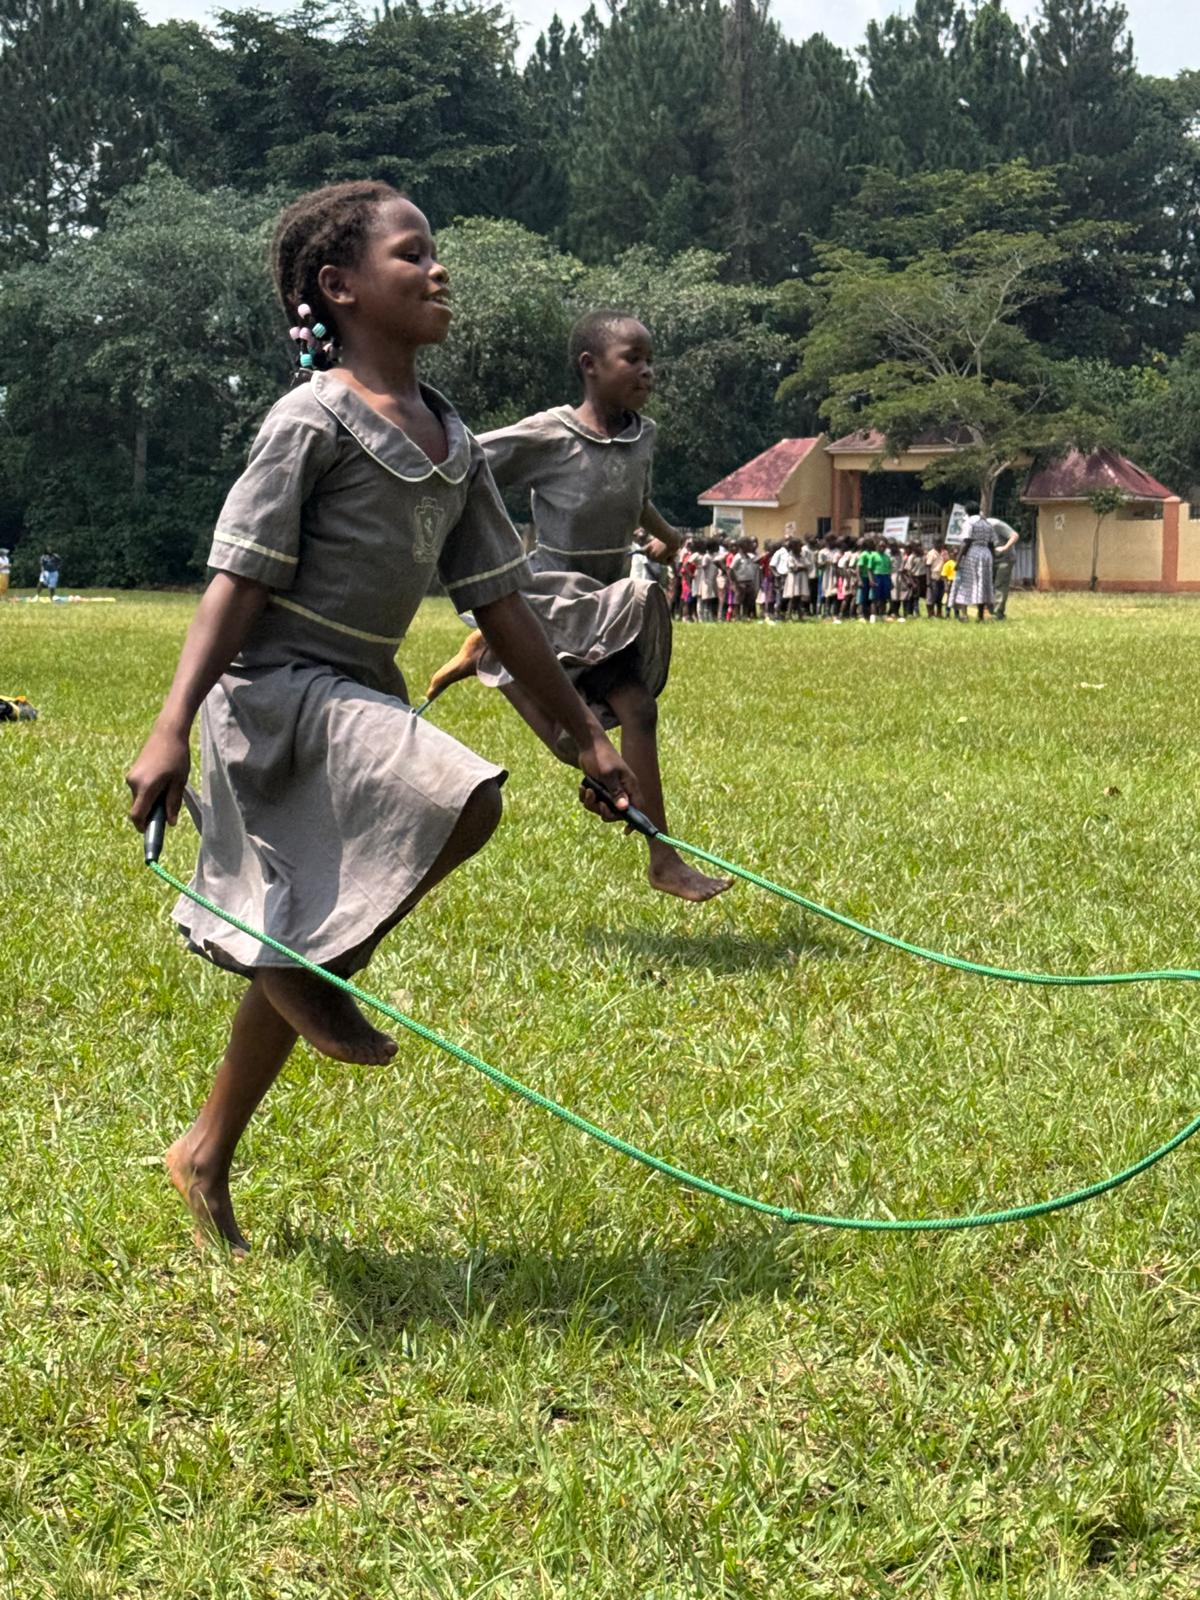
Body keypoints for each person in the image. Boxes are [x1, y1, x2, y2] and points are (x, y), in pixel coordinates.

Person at [124, 181, 642, 1253]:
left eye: (434, 251)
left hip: (357, 690)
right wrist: (170, 727)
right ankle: (304, 962)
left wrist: (588, 739)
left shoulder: (454, 440)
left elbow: (501, 606)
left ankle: (204, 1150)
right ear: (339, 285)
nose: (437, 269)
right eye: (412, 253)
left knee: (312, 944)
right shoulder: (309, 419)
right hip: (275, 695)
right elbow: (236, 581)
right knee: (462, 798)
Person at [427, 311, 731, 901]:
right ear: (590, 366)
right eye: (632, 359)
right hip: (552, 601)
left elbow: (635, 497)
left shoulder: (643, 437)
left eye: (650, 360)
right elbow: (466, 463)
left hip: (607, 605)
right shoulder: (551, 435)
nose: (647, 371)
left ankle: (664, 861)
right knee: (575, 742)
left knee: (638, 711)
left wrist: (669, 537)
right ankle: (494, 654)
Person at [949, 501, 1018, 623]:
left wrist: (958, 561)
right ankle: (984, 614)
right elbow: (991, 543)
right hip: (988, 556)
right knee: (984, 584)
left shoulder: (975, 523)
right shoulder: (987, 524)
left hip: (990, 557)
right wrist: (991, 557)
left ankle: (992, 613)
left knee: (975, 584)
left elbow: (966, 542)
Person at [989, 521, 1021, 619]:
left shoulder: (995, 524)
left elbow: (1014, 535)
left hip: (1005, 559)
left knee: (1000, 585)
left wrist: (1005, 547)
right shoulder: (977, 528)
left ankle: (998, 614)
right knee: (989, 585)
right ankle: (990, 610)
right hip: (992, 559)